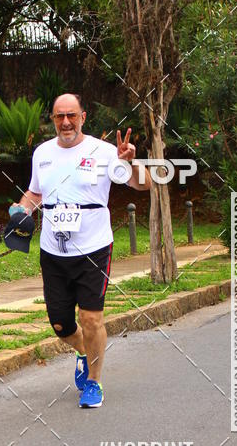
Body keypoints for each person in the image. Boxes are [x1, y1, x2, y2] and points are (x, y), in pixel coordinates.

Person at [9, 93, 151, 408]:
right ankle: (84, 352)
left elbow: (144, 185)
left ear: (83, 117)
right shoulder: (42, 153)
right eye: (60, 116)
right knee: (60, 323)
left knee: (91, 318)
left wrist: (132, 163)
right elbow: (35, 192)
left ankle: (94, 382)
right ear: (53, 119)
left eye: (72, 115)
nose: (66, 122)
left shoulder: (105, 152)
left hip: (94, 247)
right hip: (53, 250)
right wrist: (20, 211)